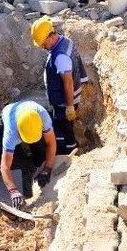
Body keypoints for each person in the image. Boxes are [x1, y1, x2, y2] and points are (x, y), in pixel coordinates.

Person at [0, 100, 57, 208]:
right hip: (8, 114)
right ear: (19, 133)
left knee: (40, 151)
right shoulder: (10, 133)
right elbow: (5, 166)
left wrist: (47, 168)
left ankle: (36, 167)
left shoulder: (44, 118)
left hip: (30, 112)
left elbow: (51, 143)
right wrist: (13, 190)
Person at [31, 16, 88, 155]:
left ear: (50, 37)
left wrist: (69, 107)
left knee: (62, 125)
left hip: (65, 99)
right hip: (68, 95)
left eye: (43, 43)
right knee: (62, 123)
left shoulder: (61, 57)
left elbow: (67, 82)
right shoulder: (65, 41)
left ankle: (69, 151)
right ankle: (68, 145)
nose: (43, 47)